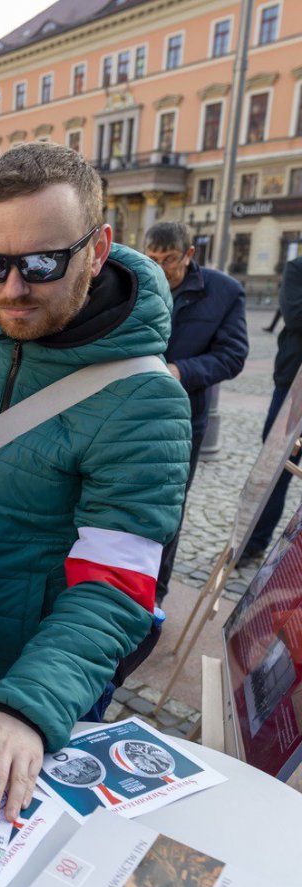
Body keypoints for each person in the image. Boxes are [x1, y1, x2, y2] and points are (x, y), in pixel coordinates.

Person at [0, 143, 191, 826]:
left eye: (41, 264)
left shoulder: (147, 400)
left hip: (39, 667)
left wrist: (26, 710)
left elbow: (116, 587)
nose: (11, 289)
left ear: (99, 246)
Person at [144, 222, 248, 602]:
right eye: (151, 258)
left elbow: (232, 356)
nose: (159, 267)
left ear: (190, 254)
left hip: (184, 418)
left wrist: (181, 371)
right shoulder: (137, 279)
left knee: (168, 507)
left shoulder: (224, 291)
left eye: (168, 260)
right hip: (132, 409)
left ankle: (155, 593)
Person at [241, 254, 302, 563]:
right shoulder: (297, 268)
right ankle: (253, 544)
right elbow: (295, 315)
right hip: (294, 387)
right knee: (276, 469)